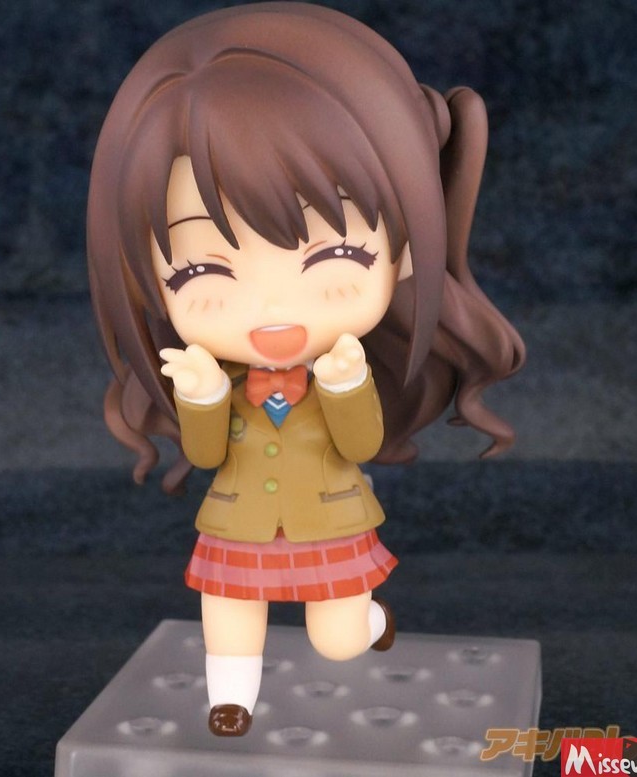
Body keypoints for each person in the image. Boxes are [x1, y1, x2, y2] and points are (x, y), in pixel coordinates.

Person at [86, 2, 525, 736]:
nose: (271, 311)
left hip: (330, 519)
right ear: (144, 279)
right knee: (228, 613)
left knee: (338, 638)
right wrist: (200, 397)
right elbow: (205, 454)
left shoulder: (341, 367)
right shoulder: (220, 377)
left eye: (337, 254)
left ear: (404, 248)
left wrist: (347, 384)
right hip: (236, 523)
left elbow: (358, 444)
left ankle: (371, 620)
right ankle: (230, 700)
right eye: (200, 269)